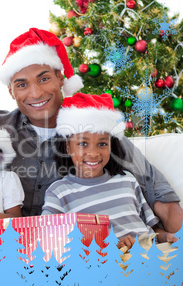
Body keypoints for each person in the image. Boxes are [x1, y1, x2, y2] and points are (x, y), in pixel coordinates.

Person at [0, 27, 183, 251]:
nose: (35, 93)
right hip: (9, 254)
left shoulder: (100, 131)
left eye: (44, 79)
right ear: (11, 91)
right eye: (22, 84)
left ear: (60, 78)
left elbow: (164, 203)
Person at [42, 93, 170, 249]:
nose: (94, 153)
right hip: (108, 263)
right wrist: (108, 247)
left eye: (102, 144)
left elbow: (153, 230)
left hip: (152, 253)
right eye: (83, 143)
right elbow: (49, 240)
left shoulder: (127, 181)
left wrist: (168, 237)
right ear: (68, 147)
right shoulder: (58, 193)